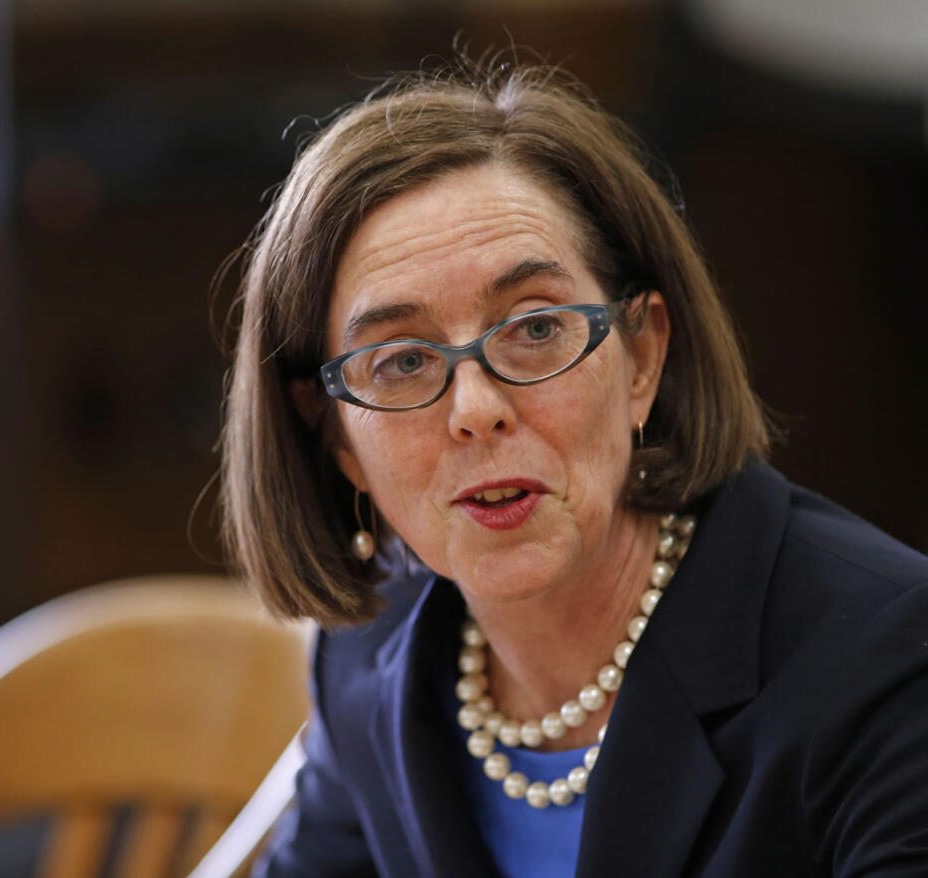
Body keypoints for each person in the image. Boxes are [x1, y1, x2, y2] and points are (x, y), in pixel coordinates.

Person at [219, 61, 928, 877]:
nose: (475, 407)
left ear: (643, 359)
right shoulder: (367, 654)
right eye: (403, 360)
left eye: (535, 327)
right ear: (338, 439)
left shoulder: (887, 664)